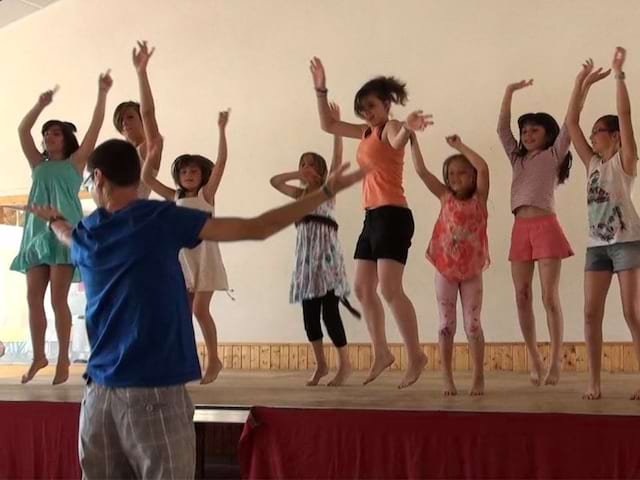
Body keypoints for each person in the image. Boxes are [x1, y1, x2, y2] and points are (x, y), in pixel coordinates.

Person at [309, 56, 430, 388]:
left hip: (394, 215)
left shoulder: (389, 128)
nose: (366, 113)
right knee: (363, 289)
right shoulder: (364, 132)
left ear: (387, 104)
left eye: (371, 106)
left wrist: (408, 125)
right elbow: (329, 126)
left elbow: (397, 138)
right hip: (372, 216)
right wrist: (321, 90)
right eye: (362, 109)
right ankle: (381, 352)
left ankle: (416, 354)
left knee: (390, 289)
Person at [11, 71, 112, 385]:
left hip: (64, 231)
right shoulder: (37, 164)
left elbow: (95, 130)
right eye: (47, 134)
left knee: (58, 300)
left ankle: (64, 359)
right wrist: (40, 105)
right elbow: (22, 129)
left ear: (66, 139)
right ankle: (39, 355)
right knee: (33, 298)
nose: (49, 137)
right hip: (35, 233)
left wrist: (102, 93)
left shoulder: (75, 163)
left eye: (55, 133)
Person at [565, 48, 640, 400]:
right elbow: (570, 124)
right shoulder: (591, 163)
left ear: (614, 135)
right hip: (597, 247)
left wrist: (619, 75)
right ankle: (594, 381)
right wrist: (581, 83)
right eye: (593, 132)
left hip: (627, 243)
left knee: (632, 312)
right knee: (590, 313)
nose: (593, 136)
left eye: (599, 132)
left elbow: (625, 114)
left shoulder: (624, 162)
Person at [412, 133, 489, 396]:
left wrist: (460, 146)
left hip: (471, 272)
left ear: (472, 177)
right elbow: (422, 172)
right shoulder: (446, 198)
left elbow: (483, 167)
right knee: (446, 325)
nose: (456, 178)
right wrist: (412, 140)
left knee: (472, 325)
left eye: (462, 173)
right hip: (445, 270)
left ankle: (478, 376)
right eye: (451, 174)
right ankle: (447, 377)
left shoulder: (480, 199)